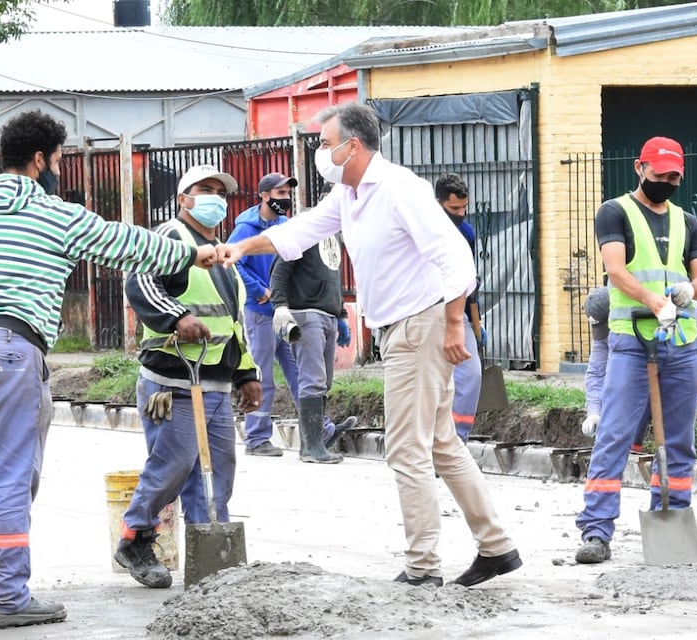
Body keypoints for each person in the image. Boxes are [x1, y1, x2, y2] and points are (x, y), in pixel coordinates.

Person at [0, 110, 217, 630]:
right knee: (11, 476)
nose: (58, 170)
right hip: (13, 348)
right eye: (58, 160)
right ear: (40, 160)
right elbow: (124, 244)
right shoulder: (52, 213)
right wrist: (192, 255)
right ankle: (7, 597)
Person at [217, 102, 521, 587]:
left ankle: (423, 568)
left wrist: (453, 324)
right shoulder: (349, 193)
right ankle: (497, 546)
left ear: (351, 146)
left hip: (417, 326)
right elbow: (300, 231)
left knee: (406, 449)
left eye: (324, 144)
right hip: (403, 327)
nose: (320, 153)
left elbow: (458, 260)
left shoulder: (400, 189)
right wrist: (241, 247)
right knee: (441, 443)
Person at [114, 164, 262, 588]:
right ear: (183, 198)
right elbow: (140, 282)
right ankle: (135, 538)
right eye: (204, 189)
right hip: (172, 380)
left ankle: (211, 560)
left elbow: (233, 323)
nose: (215, 196)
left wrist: (246, 372)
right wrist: (177, 316)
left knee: (217, 474)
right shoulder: (170, 238)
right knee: (173, 466)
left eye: (221, 191)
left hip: (214, 382)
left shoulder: (224, 256)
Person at [575, 136, 697, 564]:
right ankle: (596, 531)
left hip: (681, 345)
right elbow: (615, 270)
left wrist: (690, 291)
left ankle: (672, 515)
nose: (667, 182)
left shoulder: (686, 221)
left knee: (679, 442)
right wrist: (653, 301)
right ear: (640, 168)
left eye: (674, 177)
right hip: (631, 344)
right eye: (660, 174)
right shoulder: (614, 212)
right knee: (614, 436)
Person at [269, 182, 358, 464]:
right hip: (306, 313)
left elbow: (333, 275)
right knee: (312, 380)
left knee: (324, 381)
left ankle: (317, 440)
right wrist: (280, 306)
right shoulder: (305, 228)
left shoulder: (335, 234)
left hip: (327, 314)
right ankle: (311, 447)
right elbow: (279, 271)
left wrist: (340, 314)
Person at [581, 287, 697, 452]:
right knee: (636, 398)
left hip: (693, 338)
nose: (606, 335)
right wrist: (594, 412)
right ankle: (633, 451)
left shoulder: (647, 312)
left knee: (675, 406)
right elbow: (596, 372)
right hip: (655, 346)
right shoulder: (607, 332)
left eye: (607, 328)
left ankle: (674, 455)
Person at [227, 173, 301, 457]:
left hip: (282, 311)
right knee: (263, 377)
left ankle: (319, 429)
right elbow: (233, 262)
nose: (285, 199)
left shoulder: (283, 224)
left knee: (299, 372)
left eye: (287, 194)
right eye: (280, 194)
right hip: (259, 312)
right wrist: (259, 290)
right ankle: (257, 438)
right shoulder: (246, 229)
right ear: (264, 196)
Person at [435, 173, 484, 442]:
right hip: (428, 314)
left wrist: (476, 323)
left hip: (460, 315)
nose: (461, 214)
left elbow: (469, 282)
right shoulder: (425, 232)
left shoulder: (466, 233)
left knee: (471, 376)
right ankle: (431, 440)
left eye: (464, 208)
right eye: (454, 209)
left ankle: (457, 440)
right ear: (439, 203)